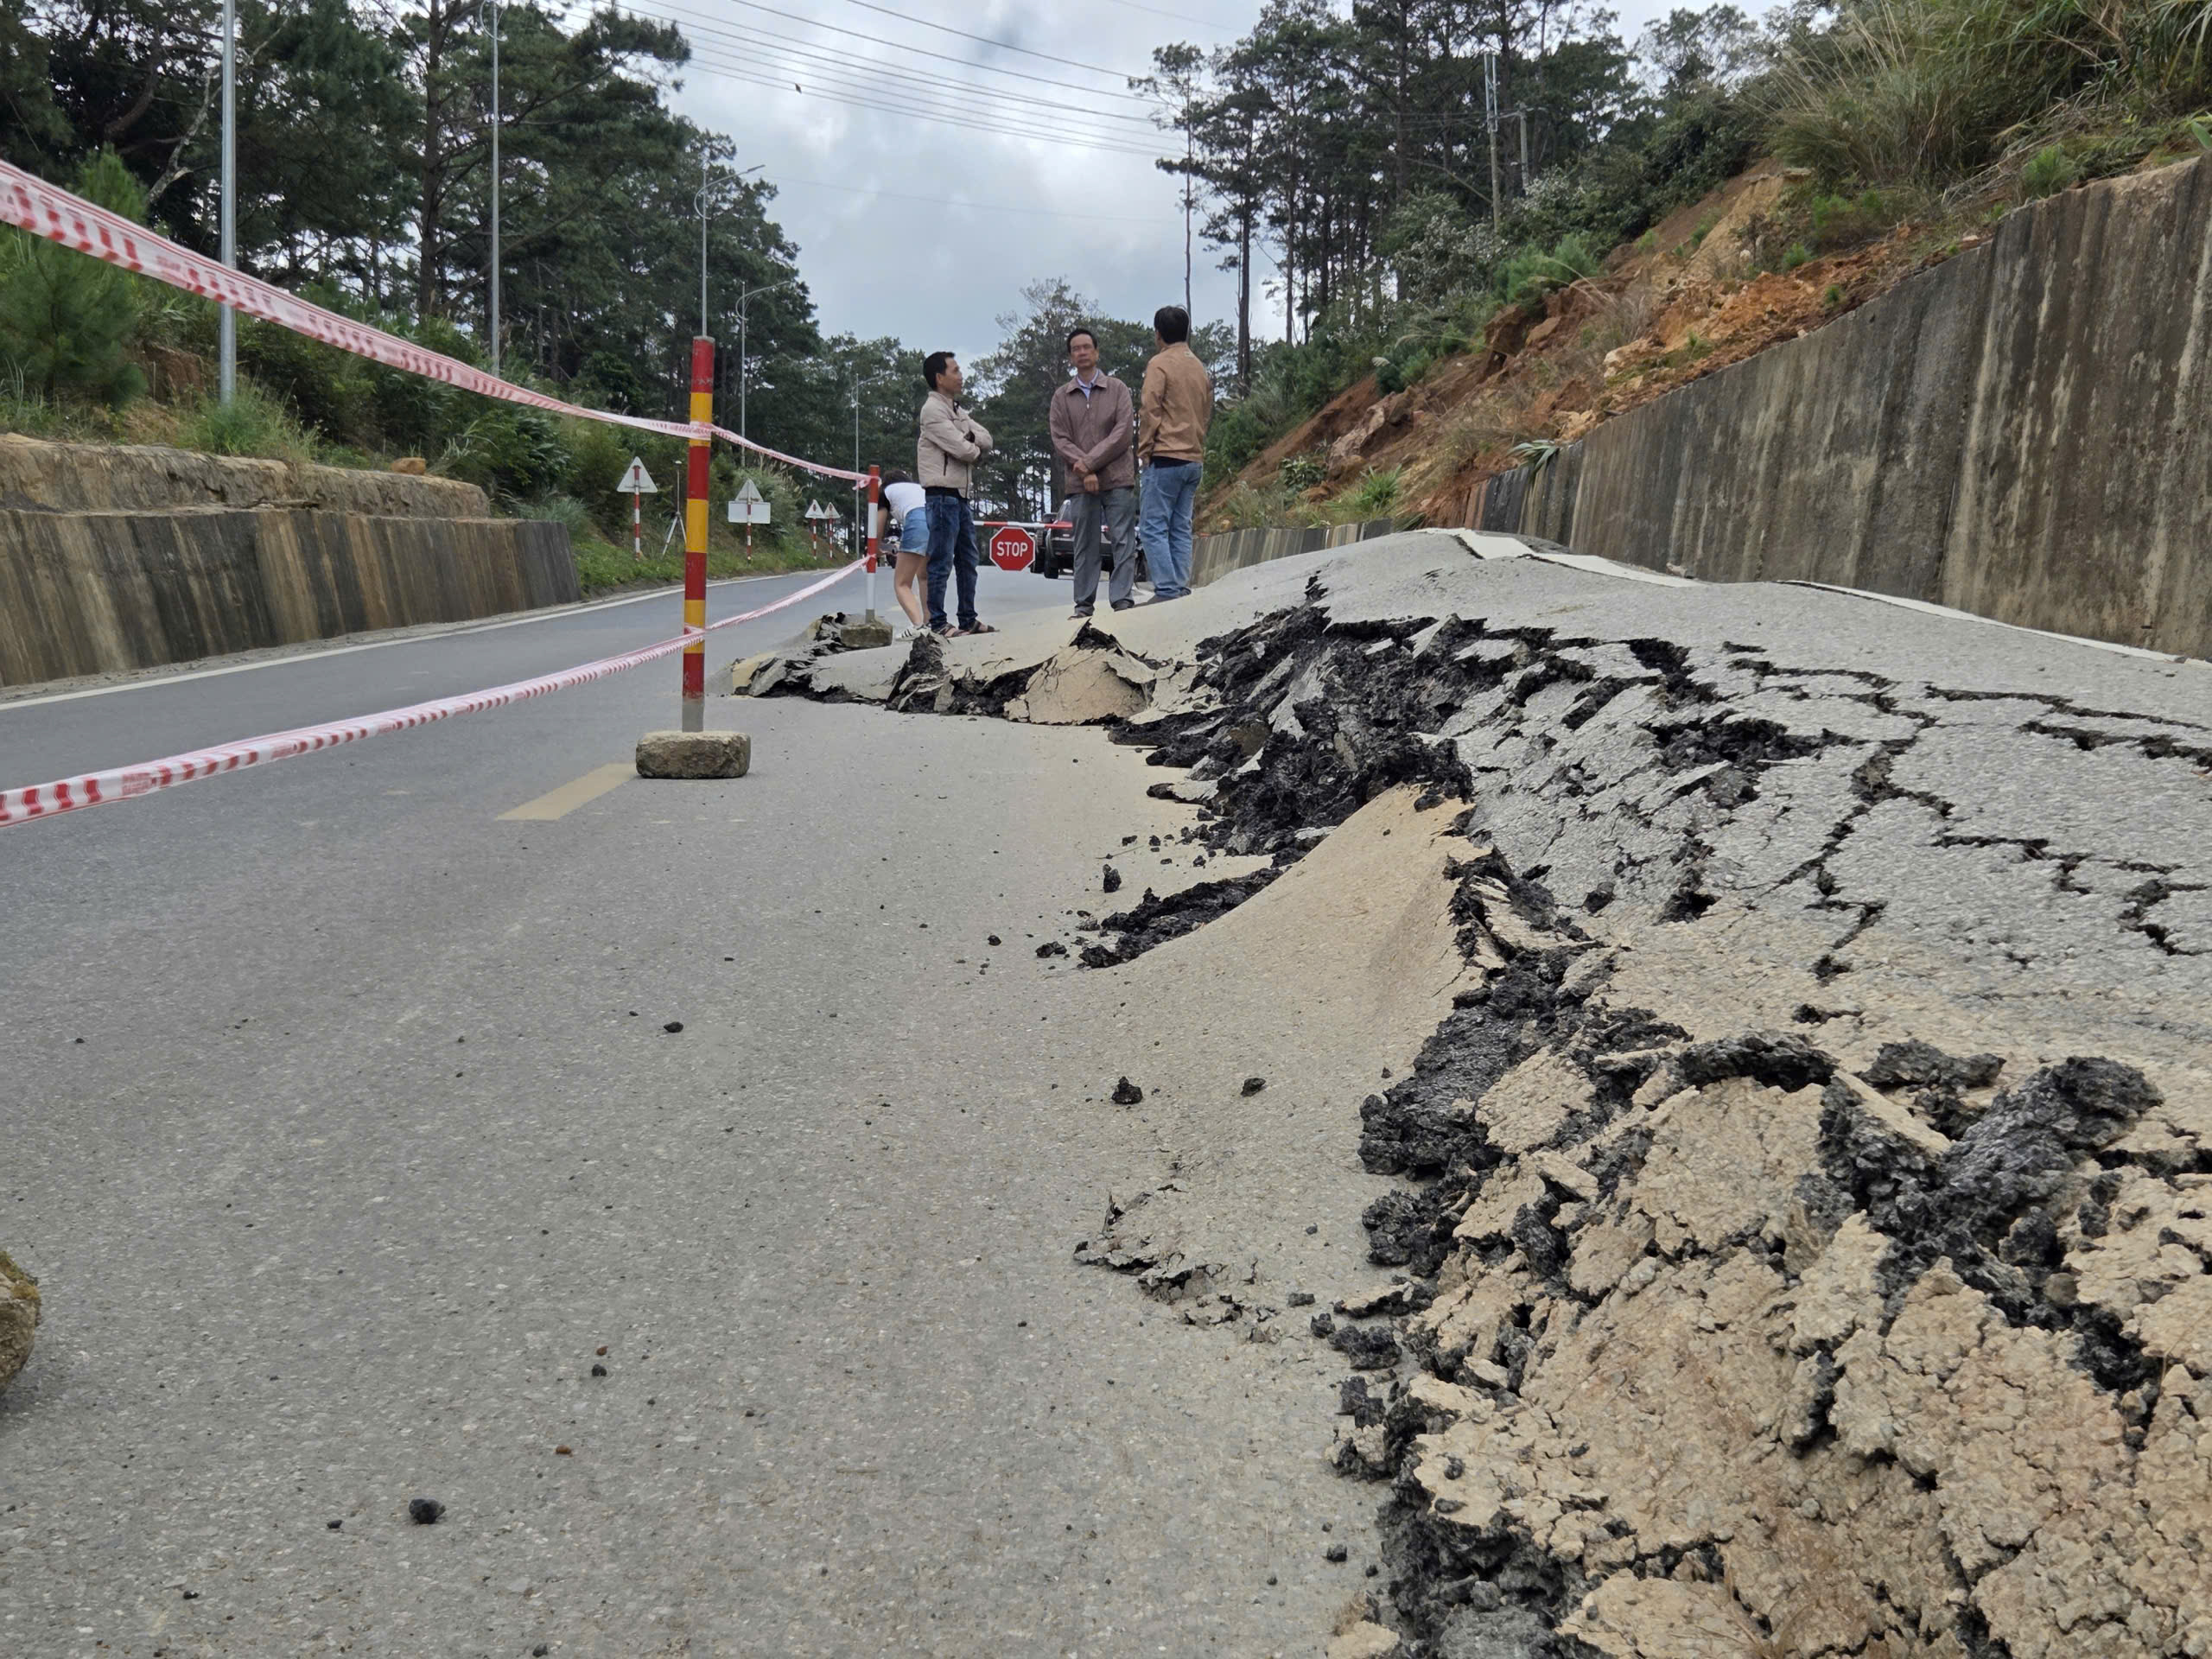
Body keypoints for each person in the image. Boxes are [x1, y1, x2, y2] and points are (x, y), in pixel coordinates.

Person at [1046, 326, 1137, 619]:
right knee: (1084, 542)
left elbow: (1123, 433)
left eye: (1087, 347)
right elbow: (1060, 439)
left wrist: (1090, 463)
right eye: (1076, 349)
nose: (1082, 352)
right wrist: (1084, 469)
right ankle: (1083, 604)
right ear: (1070, 357)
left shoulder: (1118, 389)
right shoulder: (1062, 396)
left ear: (1096, 352)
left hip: (1117, 477)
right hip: (1079, 481)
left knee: (1123, 538)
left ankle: (1122, 599)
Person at [916, 350, 997, 637]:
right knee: (941, 560)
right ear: (939, 378)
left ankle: (968, 618)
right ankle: (938, 622)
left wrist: (970, 439)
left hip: (961, 497)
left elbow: (987, 437)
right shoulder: (933, 411)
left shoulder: (957, 410)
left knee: (968, 561)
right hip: (941, 496)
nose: (960, 375)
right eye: (955, 370)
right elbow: (964, 450)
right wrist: (973, 448)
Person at [1136, 304, 1212, 604]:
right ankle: (1180, 586)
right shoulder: (1199, 366)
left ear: (1158, 334)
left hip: (1166, 456)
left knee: (1153, 526)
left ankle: (1166, 589)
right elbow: (1206, 410)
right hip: (1194, 457)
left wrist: (1144, 449)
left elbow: (1150, 409)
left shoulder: (1159, 364)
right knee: (1181, 525)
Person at [878, 467, 929, 636]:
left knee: (902, 583)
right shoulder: (918, 488)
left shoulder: (885, 491)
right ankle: (930, 624)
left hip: (916, 521)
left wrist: (878, 548)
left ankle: (917, 627)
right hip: (937, 520)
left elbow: (877, 531)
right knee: (924, 576)